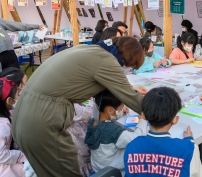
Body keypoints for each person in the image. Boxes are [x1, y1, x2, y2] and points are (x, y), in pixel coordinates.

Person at [12, 36, 148, 176]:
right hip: (43, 121)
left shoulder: (90, 50)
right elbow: (133, 98)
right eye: (131, 66)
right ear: (128, 59)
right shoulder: (107, 60)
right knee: (67, 170)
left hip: (25, 117)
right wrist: (160, 113)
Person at [124, 87, 202, 177]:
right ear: (175, 120)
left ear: (143, 116)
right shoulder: (189, 148)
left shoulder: (132, 147)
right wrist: (189, 140)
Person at [85, 90, 147, 176]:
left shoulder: (94, 120)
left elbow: (106, 119)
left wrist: (118, 112)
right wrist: (142, 120)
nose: (122, 110)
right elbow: (137, 139)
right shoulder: (113, 131)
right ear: (109, 110)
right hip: (115, 172)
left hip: (98, 169)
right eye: (120, 108)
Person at [57, 46, 93, 176]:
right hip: (76, 144)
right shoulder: (59, 88)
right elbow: (83, 113)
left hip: (76, 138)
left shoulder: (62, 79)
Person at [0, 76, 26, 177]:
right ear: (9, 101)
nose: (19, 97)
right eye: (18, 95)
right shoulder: (2, 127)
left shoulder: (6, 113)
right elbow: (1, 155)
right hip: (6, 170)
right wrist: (21, 155)